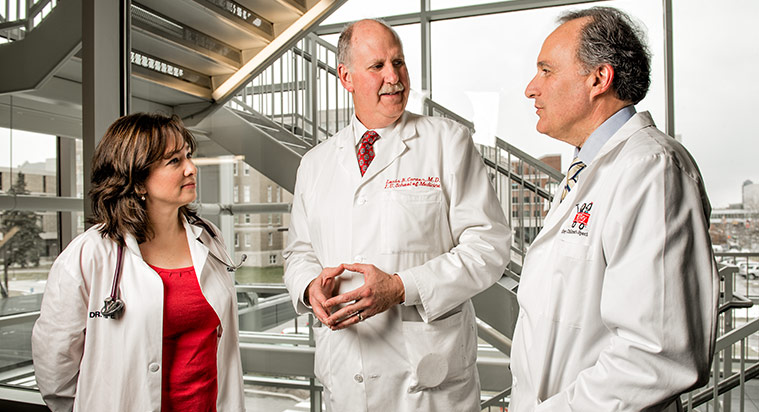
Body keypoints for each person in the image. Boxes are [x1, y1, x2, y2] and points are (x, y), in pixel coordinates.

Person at [283, 19, 510, 412]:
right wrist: (308, 288)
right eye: (377, 66)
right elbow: (299, 252)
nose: (394, 77)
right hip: (346, 372)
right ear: (346, 76)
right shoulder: (315, 163)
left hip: (428, 384)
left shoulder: (447, 142)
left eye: (399, 62)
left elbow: (488, 247)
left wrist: (403, 288)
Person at [510, 6, 719, 411]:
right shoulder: (590, 169)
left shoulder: (651, 168)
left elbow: (656, 354)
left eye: (546, 71)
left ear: (598, 79)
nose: (531, 89)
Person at [32, 113, 246, 412]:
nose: (191, 168)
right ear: (137, 179)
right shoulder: (91, 253)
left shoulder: (208, 239)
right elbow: (55, 359)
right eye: (174, 161)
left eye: (188, 155)